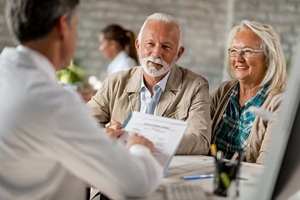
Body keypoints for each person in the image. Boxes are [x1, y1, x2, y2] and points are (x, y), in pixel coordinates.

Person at [0, 0, 163, 199]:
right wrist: (139, 147)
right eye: (76, 26)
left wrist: (95, 140)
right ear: (63, 26)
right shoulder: (54, 103)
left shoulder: (6, 73)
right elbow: (138, 184)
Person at [88, 13, 211, 155]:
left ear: (179, 53)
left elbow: (200, 141)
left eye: (166, 47)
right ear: (138, 45)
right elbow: (82, 123)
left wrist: (145, 142)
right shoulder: (114, 82)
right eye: (150, 44)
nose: (157, 53)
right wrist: (106, 133)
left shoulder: (196, 87)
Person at [210, 20, 287, 164]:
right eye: (234, 51)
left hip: (247, 184)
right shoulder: (223, 91)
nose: (238, 59)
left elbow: (264, 168)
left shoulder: (279, 104)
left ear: (268, 59)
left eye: (247, 51)